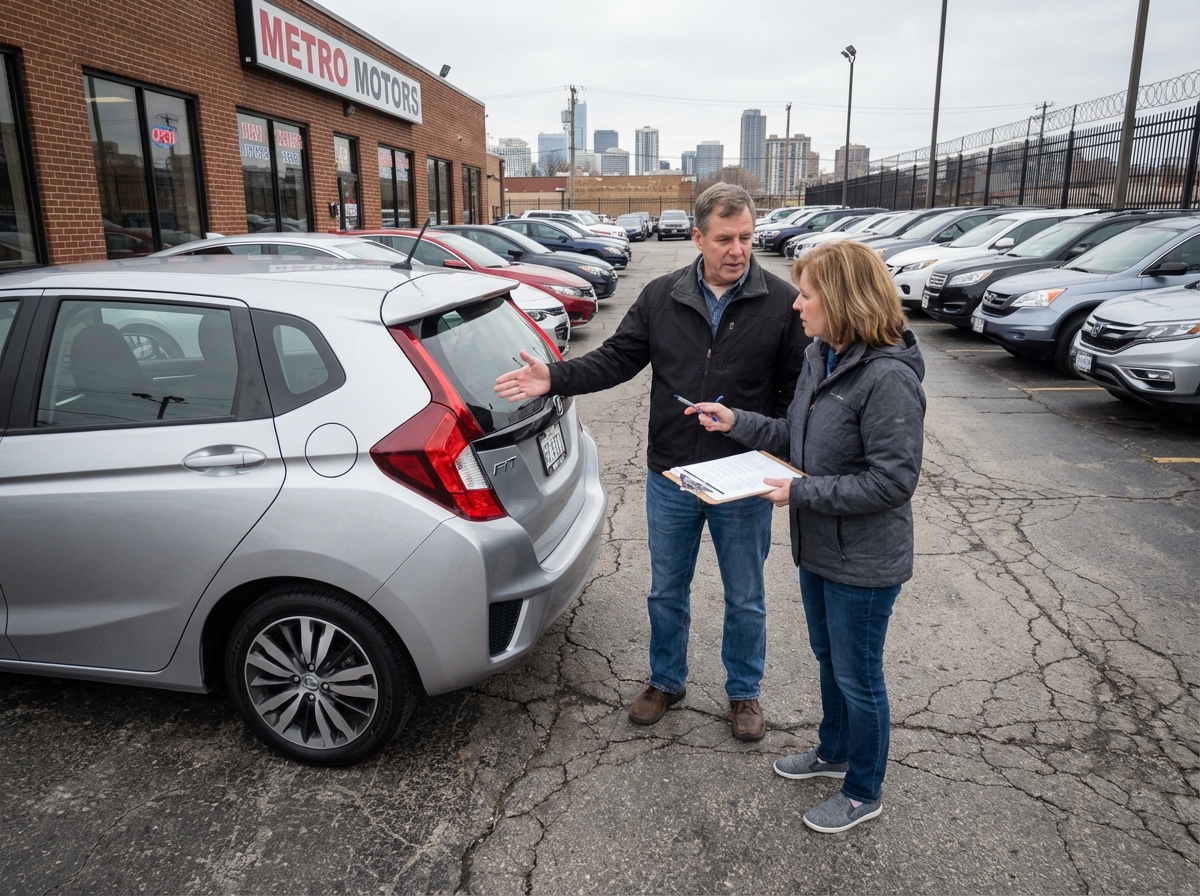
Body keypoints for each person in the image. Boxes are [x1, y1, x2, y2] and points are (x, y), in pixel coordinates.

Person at [494, 183, 810, 741]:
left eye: (745, 238)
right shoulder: (663, 296)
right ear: (697, 237)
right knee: (667, 589)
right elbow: (618, 359)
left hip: (740, 476)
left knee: (746, 595)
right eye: (724, 239)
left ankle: (744, 692)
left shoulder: (782, 304)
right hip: (671, 474)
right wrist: (556, 376)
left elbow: (793, 394)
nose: (737, 250)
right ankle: (666, 680)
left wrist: (770, 452)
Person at [691, 239, 926, 832]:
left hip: (865, 560)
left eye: (809, 293)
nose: (797, 304)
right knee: (829, 659)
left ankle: (863, 789)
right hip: (820, 547)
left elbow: (893, 482)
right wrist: (737, 422)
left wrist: (800, 493)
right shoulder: (822, 356)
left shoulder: (888, 378)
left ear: (843, 300)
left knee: (859, 674)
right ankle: (834, 751)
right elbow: (794, 435)